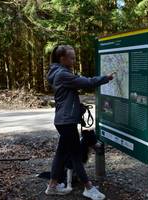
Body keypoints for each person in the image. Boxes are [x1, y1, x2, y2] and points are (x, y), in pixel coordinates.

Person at [45, 44, 114, 199]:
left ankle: (52, 186)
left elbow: (67, 96)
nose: (74, 60)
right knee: (76, 155)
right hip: (66, 121)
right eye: (72, 57)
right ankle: (88, 188)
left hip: (64, 120)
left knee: (61, 153)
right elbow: (87, 82)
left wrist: (78, 106)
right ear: (62, 58)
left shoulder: (58, 72)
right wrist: (106, 78)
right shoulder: (63, 74)